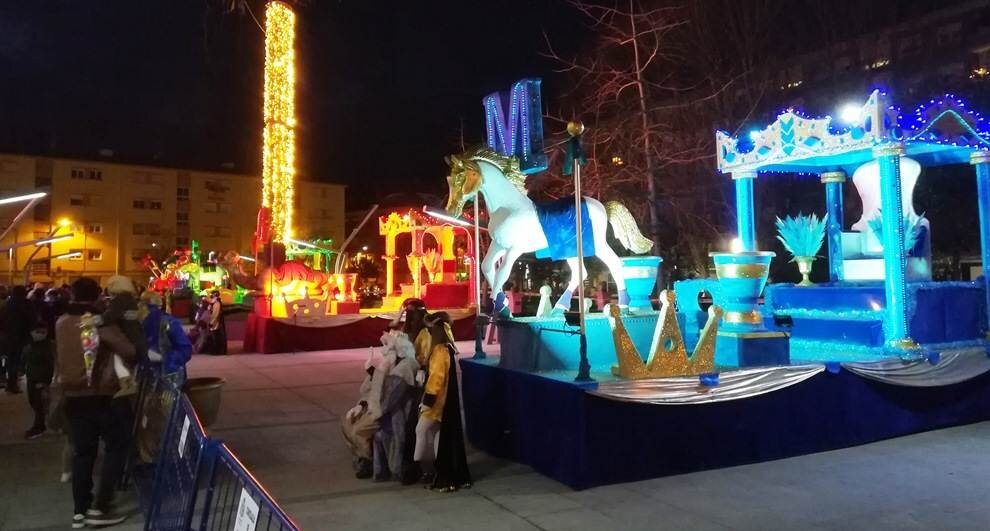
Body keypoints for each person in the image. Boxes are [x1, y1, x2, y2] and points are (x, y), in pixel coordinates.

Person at [57, 277, 136, 528]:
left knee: (84, 453)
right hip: (100, 396)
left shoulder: (61, 322)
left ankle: (79, 512)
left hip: (72, 396)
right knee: (117, 445)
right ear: (98, 296)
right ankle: (101, 506)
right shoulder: (97, 323)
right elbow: (129, 351)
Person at [415, 312, 472, 492]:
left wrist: (427, 401)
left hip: (437, 402)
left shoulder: (440, 350)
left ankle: (422, 467)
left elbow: (437, 379)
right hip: (445, 400)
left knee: (421, 429)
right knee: (441, 435)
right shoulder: (447, 348)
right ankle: (444, 471)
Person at [372, 328, 420, 483]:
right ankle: (379, 468)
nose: (383, 350)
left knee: (374, 432)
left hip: (398, 415)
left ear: (398, 351)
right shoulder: (399, 365)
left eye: (388, 347)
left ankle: (386, 469)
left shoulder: (403, 368)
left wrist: (380, 371)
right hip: (392, 410)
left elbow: (387, 400)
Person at [23, 323, 55, 439]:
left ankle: (39, 426)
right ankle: (43, 424)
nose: (40, 334)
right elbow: (25, 359)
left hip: (40, 380)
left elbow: (49, 365)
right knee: (33, 401)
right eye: (37, 331)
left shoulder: (46, 347)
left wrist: (45, 381)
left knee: (39, 404)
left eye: (43, 332)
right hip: (31, 378)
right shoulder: (29, 346)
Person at [2, 285, 35, 393]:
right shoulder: (25, 304)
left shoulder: (6, 303)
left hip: (7, 335)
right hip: (20, 336)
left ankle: (8, 381)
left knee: (8, 359)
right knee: (16, 360)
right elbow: (31, 319)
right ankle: (12, 384)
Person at [206, 290, 227, 355]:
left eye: (212, 294)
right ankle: (215, 350)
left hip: (216, 323)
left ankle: (217, 351)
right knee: (214, 337)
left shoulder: (217, 303)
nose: (210, 296)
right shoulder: (213, 303)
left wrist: (211, 322)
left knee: (216, 337)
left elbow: (215, 314)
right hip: (214, 322)